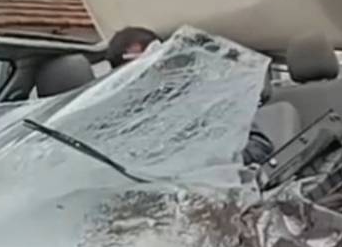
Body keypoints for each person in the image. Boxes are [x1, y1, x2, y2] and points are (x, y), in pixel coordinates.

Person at [106, 26, 275, 166]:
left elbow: (259, 146)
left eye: (154, 63)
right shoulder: (117, 123)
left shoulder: (204, 97)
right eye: (137, 70)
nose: (150, 73)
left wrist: (211, 162)